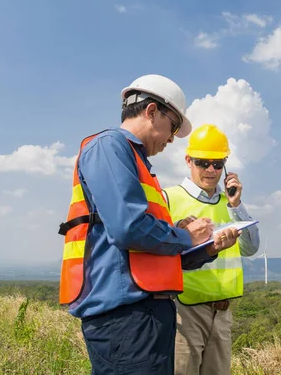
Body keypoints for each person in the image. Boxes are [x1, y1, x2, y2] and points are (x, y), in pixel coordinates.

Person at [57, 75, 241, 375]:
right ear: (152, 111)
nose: (171, 138)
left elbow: (155, 249)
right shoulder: (109, 147)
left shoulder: (140, 165)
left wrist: (205, 248)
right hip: (125, 316)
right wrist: (184, 236)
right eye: (173, 127)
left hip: (145, 314)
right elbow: (128, 228)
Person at [162, 124, 260, 375]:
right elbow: (160, 251)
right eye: (203, 162)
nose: (210, 170)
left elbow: (251, 248)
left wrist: (236, 205)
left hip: (223, 312)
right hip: (185, 312)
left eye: (217, 164)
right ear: (188, 160)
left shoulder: (230, 203)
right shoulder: (169, 198)